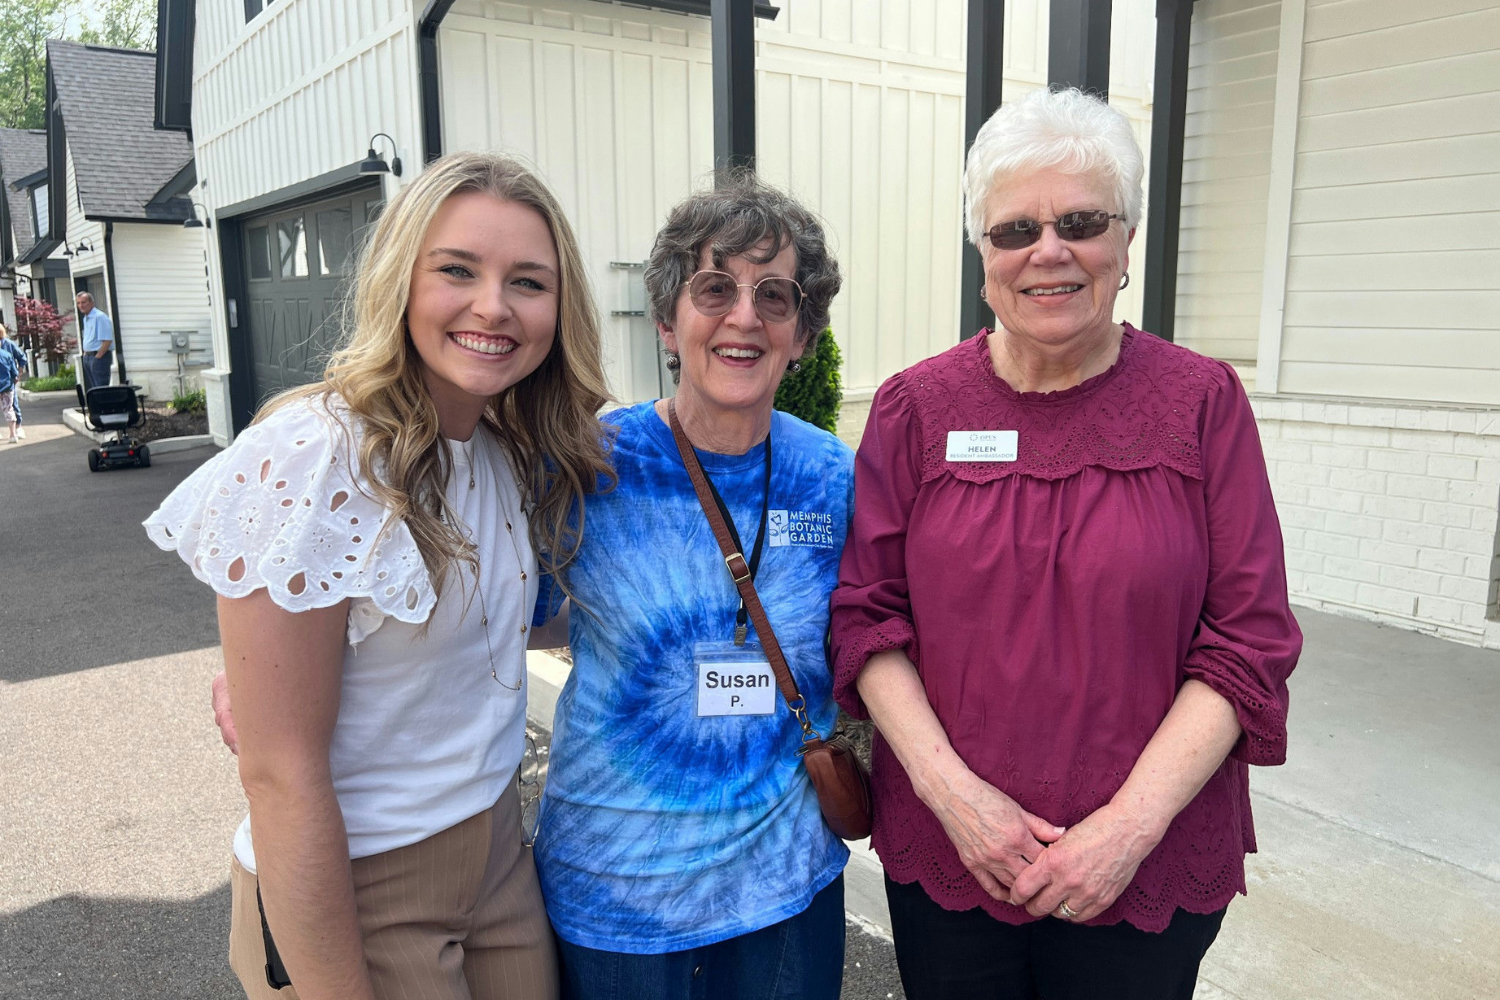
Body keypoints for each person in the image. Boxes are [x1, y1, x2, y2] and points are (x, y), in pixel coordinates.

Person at [830, 87, 1302, 1000]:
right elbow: (867, 616)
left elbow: (1250, 637)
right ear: (983, 257)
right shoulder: (915, 408)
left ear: (1126, 245)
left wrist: (1126, 830)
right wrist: (955, 800)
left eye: (1081, 221)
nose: (1048, 251)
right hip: (954, 852)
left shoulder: (1202, 403)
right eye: (1014, 231)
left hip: (1144, 858)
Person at [145, 151, 613, 1000]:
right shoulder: (315, 456)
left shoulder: (502, 449)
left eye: (529, 282)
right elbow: (280, 773)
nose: (493, 306)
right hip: (355, 883)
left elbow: (499, 620)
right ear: (401, 279)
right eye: (458, 271)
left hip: (500, 857)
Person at [530, 178, 851, 1000]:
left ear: (803, 334)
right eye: (716, 289)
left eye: (775, 297)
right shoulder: (586, 467)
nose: (745, 317)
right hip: (616, 892)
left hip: (783, 889)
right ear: (669, 322)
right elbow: (481, 616)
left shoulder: (836, 480)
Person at [76, 291, 113, 392]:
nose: (81, 305)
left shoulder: (100, 317)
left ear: (92, 303)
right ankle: (98, 408)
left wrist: (98, 357)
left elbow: (107, 340)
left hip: (98, 357)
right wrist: (85, 355)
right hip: (88, 357)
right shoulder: (86, 318)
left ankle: (104, 408)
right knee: (94, 389)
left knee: (101, 388)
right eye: (78, 303)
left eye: (83, 302)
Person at [0, 322, 24, 439]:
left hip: (7, 382)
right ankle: (13, 434)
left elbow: (21, 357)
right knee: (9, 407)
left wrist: (19, 372)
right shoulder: (6, 353)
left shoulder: (8, 344)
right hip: (7, 382)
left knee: (13, 405)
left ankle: (18, 427)